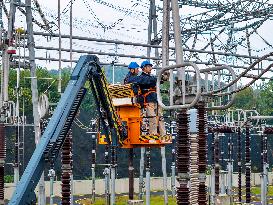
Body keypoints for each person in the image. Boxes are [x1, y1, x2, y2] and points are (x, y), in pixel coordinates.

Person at [137, 60, 166, 136]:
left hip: (156, 99)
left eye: (151, 66)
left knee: (160, 117)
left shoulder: (151, 77)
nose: (150, 68)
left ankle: (163, 134)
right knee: (152, 118)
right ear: (144, 68)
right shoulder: (142, 78)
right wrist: (159, 79)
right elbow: (149, 81)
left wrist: (163, 78)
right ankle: (153, 133)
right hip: (148, 100)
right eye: (149, 67)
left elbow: (156, 81)